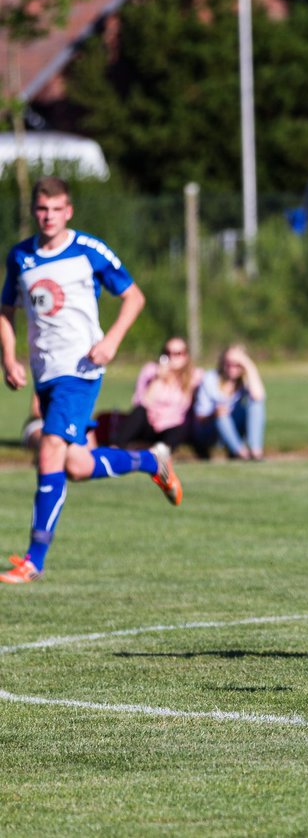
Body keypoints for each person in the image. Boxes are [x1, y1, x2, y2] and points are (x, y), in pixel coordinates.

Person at [0, 176, 182, 584]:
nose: (48, 217)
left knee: (49, 449)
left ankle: (33, 560)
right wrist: (8, 358)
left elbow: (134, 296)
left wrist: (112, 341)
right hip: (46, 374)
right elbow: (5, 309)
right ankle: (151, 461)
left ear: (69, 211)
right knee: (77, 466)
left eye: (57, 209)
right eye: (42, 209)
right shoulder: (21, 257)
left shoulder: (88, 250)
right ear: (34, 211)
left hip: (80, 370)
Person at [109, 337, 202, 451]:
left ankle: (158, 454)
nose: (172, 357)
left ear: (186, 356)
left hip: (173, 425)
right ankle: (115, 448)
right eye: (168, 353)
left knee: (180, 427)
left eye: (178, 353)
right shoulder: (151, 371)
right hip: (149, 423)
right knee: (139, 412)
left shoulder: (194, 376)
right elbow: (141, 402)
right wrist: (158, 379)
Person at [193, 344, 267, 460]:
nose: (232, 367)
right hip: (214, 432)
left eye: (237, 364)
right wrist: (215, 413)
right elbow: (200, 416)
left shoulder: (245, 379)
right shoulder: (210, 379)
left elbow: (258, 396)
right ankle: (241, 453)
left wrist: (248, 365)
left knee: (256, 404)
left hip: (237, 426)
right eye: (229, 363)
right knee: (222, 413)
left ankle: (256, 451)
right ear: (222, 362)